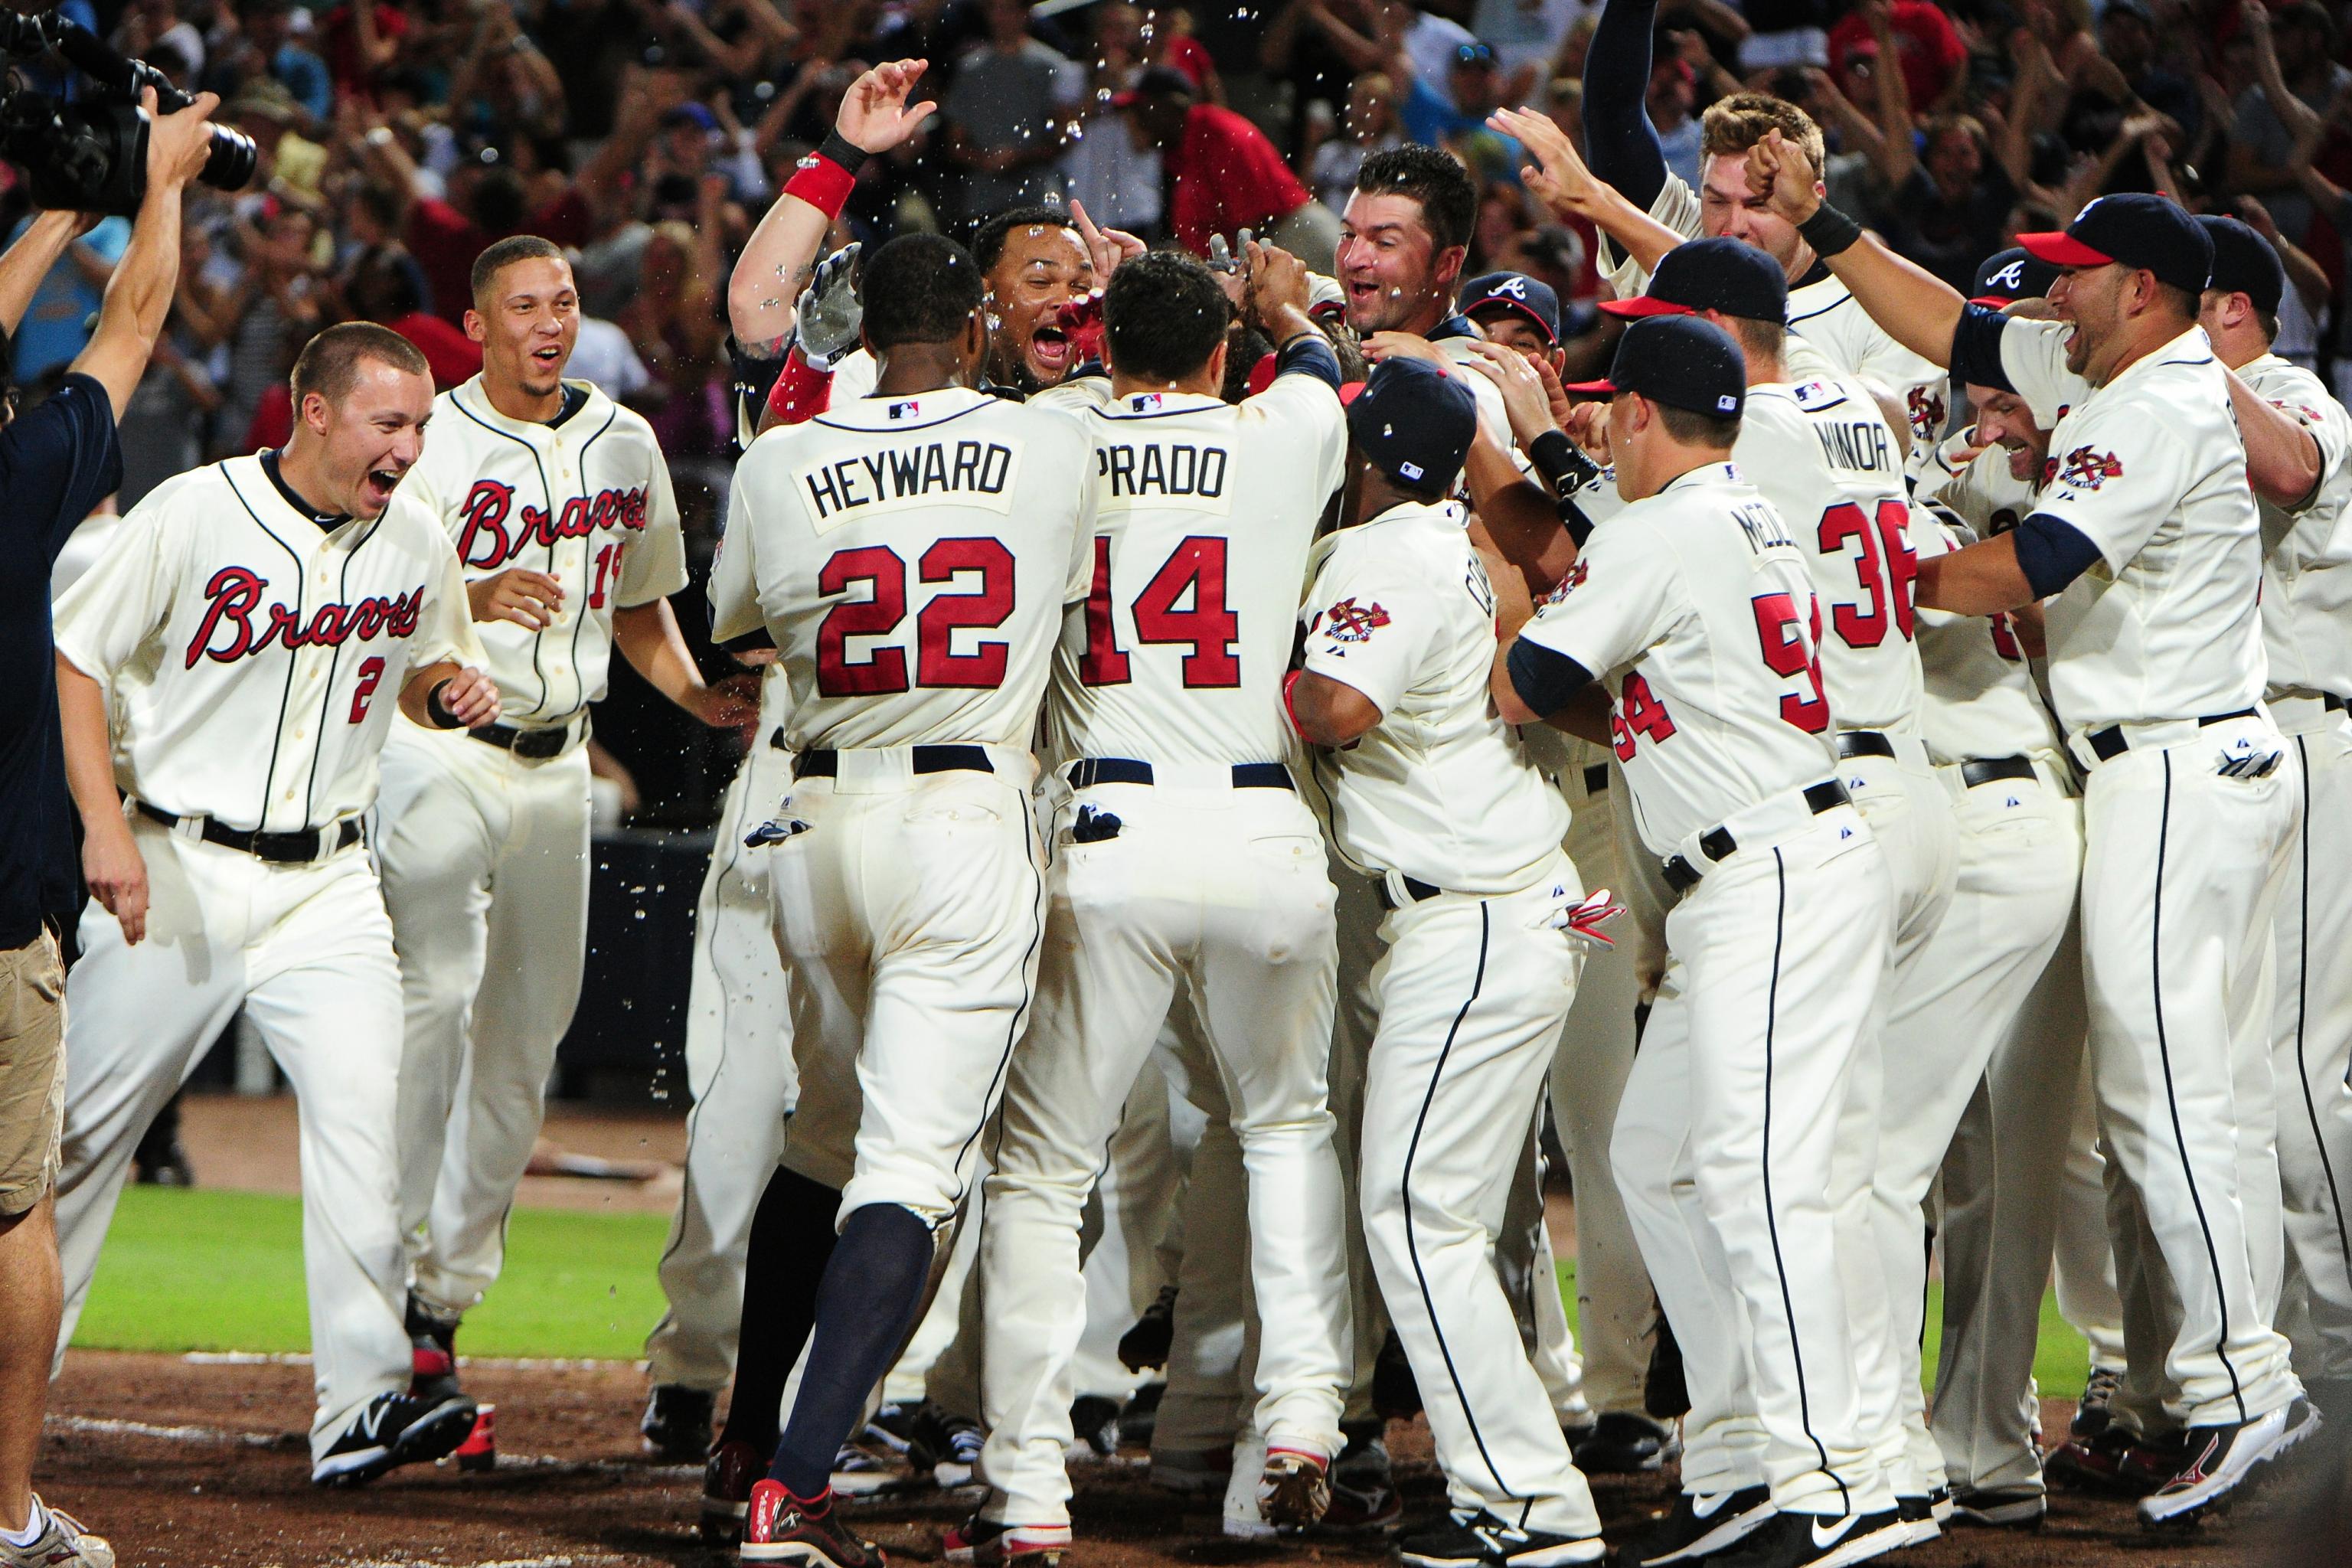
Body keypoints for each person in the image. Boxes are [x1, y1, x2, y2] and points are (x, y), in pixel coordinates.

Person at [1748, 140, 2323, 1523]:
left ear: (2142, 287)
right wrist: (1821, 218)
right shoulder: (2125, 366)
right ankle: (2231, 1381)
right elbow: (1946, 322)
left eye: (2076, 281)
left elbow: (2032, 563)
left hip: (2176, 766)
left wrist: (1874, 572)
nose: (2052, 303)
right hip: (2173, 764)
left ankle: (2247, 1385)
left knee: (2164, 1087)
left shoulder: (2162, 402)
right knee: (2174, 1091)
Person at [47, 322, 498, 1486]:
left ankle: (363, 1406)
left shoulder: (416, 539)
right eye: (389, 423)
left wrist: (449, 693)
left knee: (364, 1128)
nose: (411, 446)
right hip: (181, 870)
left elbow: (421, 680)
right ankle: (9, 1391)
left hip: (332, 887)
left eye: (422, 426)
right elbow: (79, 656)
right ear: (314, 411)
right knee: (82, 1144)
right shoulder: (196, 511)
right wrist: (103, 823)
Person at [958, 242, 1353, 1563]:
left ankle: (1025, 1485)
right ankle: (1292, 1428)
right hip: (1261, 829)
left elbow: (1036, 397)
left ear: (1101, 340)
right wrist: (1275, 306)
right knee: (1287, 1127)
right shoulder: (1285, 425)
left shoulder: (1045, 440)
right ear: (1219, 354)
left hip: (1108, 831)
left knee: (1041, 1170)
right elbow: (1314, 350)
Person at [707, 230, 1096, 1568]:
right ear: (980, 328)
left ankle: (748, 1435)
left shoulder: (781, 452)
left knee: (819, 1136)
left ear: (864, 331)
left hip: (815, 813)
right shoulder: (1051, 442)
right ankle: (797, 1491)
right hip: (962, 814)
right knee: (912, 1166)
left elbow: (736, 624)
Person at [1499, 313, 1911, 1568]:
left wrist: (1507, 500)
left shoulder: (1667, 527)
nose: (1596, 426)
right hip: (1758, 867)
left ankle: (1832, 1474)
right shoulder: (1746, 514)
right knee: (1656, 1153)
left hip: (1770, 873)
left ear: (1635, 414)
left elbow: (1525, 675)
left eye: (1604, 407)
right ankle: (1741, 1460)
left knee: (1751, 1173)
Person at [371, 235, 748, 1455]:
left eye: (564, 302)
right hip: (436, 753)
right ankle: (377, 1290)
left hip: (556, 773)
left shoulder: (625, 442)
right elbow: (379, 615)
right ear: (477, 324)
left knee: (526, 1045)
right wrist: (464, 602)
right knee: (430, 1008)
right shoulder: (430, 442)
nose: (548, 321)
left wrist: (697, 702)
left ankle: (441, 1301)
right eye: (524, 303)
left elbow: (639, 611)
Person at [1292, 354, 1609, 1568]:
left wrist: (1215, 693)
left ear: (1366, 456)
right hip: (1504, 907)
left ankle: (1529, 1506)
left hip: (1471, 919)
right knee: (1445, 1223)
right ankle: (1527, 1490)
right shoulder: (1447, 538)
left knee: (1415, 1217)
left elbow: (1335, 709)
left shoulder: (1389, 552)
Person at [0, 80, 220, 1568]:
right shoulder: (21, 479)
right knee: (12, 1210)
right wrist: (155, 188)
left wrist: (59, 203)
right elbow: (131, 331)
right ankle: (4, 1513)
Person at [2192, 214, 2352, 1422]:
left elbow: (2294, 466)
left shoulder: (2288, 389)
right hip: (2235, 751)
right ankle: (2293, 1353)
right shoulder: (2178, 410)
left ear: (2230, 309)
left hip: (2309, 728)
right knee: (2245, 1073)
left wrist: (2179, 365)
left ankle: (2343, 1349)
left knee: (2303, 1068)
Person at [1570, 0, 1947, 448]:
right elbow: (1614, 115)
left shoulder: (1885, 309)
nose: (1734, 225)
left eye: (1759, 205)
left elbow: (1889, 471)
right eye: (1717, 200)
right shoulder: (1687, 235)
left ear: (1813, 199)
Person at [1117, 66, 1342, 271]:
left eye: (1143, 109)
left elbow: (1253, 225)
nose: (1135, 119)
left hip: (1296, 239)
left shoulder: (1216, 133)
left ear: (1170, 106)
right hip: (1277, 246)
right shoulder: (1179, 147)